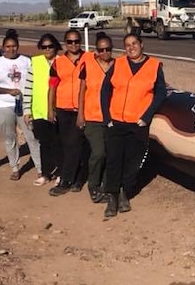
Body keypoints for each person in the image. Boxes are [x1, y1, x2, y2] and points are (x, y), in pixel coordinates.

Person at [100, 33, 166, 217]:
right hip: (116, 122)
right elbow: (105, 89)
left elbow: (160, 93)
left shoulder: (154, 66)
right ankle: (112, 197)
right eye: (127, 45)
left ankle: (124, 193)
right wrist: (107, 117)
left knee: (132, 162)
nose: (131, 47)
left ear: (141, 44)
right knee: (113, 160)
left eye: (134, 43)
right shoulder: (118, 64)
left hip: (138, 123)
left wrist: (147, 116)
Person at [0, 29, 37, 181]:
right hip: (4, 105)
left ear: (17, 46)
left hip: (25, 105)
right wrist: (9, 91)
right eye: (8, 46)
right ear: (3, 48)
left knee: (32, 136)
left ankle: (40, 168)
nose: (11, 49)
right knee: (10, 137)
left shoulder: (26, 61)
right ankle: (15, 168)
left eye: (14, 46)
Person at [47, 29, 90, 196]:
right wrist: (50, 108)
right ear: (65, 43)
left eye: (77, 41)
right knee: (68, 146)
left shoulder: (89, 58)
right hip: (63, 109)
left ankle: (67, 180)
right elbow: (52, 87)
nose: (74, 45)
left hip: (82, 109)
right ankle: (76, 178)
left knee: (77, 145)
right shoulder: (58, 63)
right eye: (70, 42)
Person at [76, 32, 115, 203]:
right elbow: (82, 90)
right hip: (92, 117)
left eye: (108, 49)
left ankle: (107, 186)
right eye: (101, 50)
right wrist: (80, 114)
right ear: (96, 51)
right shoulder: (88, 65)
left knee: (110, 153)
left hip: (113, 118)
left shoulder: (118, 65)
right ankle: (93, 185)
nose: (105, 52)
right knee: (98, 153)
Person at [30, 33, 61, 186]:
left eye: (50, 46)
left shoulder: (63, 62)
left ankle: (61, 173)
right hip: (39, 111)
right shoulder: (35, 62)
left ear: (56, 46)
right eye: (44, 47)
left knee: (59, 143)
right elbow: (28, 87)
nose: (48, 49)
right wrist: (27, 110)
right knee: (44, 143)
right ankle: (45, 174)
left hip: (59, 110)